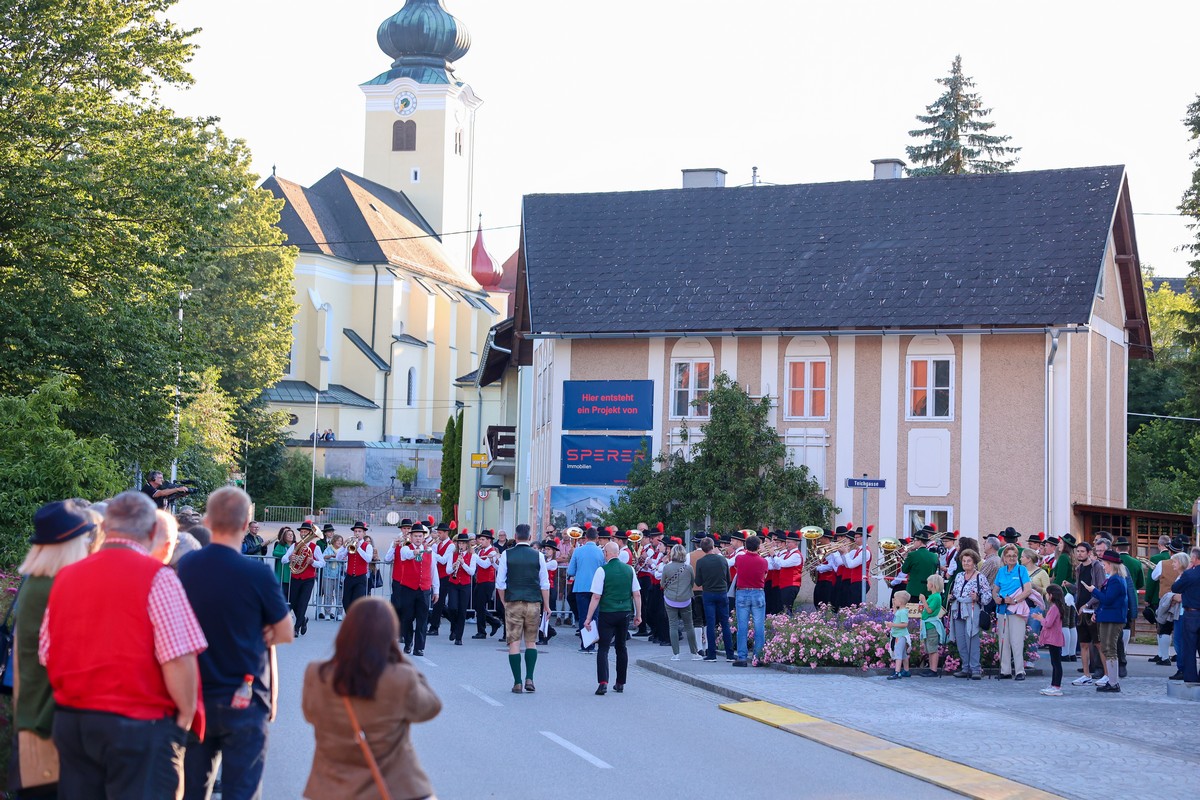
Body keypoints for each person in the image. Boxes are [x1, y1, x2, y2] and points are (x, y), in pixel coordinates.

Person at [40, 491, 207, 798]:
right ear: (153, 531)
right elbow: (179, 658)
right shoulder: (159, 577)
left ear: (105, 526)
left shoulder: (66, 576)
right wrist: (184, 718)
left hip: (73, 722)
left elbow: (46, 653)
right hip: (139, 725)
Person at [178, 487, 294, 800]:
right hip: (246, 698)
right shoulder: (255, 572)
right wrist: (262, 630)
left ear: (207, 520)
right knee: (242, 791)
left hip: (196, 696)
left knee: (192, 790)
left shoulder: (186, 567)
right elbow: (285, 632)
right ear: (246, 524)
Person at [302, 598, 441, 800]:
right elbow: (431, 707)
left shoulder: (317, 674)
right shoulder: (400, 677)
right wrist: (402, 659)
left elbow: (310, 715)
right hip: (395, 788)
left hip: (332, 788)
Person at [14, 500, 102, 796]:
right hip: (48, 718)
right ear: (69, 545)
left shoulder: (36, 581)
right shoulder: (58, 585)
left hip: (32, 711)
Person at [496, 524, 551, 693]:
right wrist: (547, 605)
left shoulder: (507, 554)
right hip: (533, 602)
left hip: (513, 601)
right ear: (529, 537)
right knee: (531, 642)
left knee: (514, 643)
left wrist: (505, 602)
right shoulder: (538, 555)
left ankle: (517, 682)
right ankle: (530, 678)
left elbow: (500, 583)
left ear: (515, 536)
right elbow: (544, 583)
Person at [583, 542, 642, 695]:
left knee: (603, 648)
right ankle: (620, 682)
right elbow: (636, 594)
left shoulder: (602, 570)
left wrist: (588, 618)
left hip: (607, 613)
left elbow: (596, 596)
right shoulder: (629, 569)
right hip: (624, 613)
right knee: (621, 647)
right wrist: (638, 614)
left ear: (607, 554)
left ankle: (603, 683)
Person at [386, 523, 439, 657]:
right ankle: (409, 642)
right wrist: (415, 552)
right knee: (407, 618)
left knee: (422, 619)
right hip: (408, 588)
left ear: (423, 537)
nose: (418, 538)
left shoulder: (429, 551)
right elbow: (408, 555)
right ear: (411, 536)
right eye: (415, 536)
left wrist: (436, 589)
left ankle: (419, 647)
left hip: (424, 588)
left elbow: (434, 570)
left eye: (420, 536)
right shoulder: (405, 549)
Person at [1086, 551, 1128, 693]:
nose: (1103, 567)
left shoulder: (1116, 579)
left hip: (1113, 618)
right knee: (1107, 648)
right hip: (1108, 616)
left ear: (1111, 565)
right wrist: (1097, 613)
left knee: (1110, 649)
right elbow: (1106, 602)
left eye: (1104, 564)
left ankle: (1113, 682)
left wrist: (1094, 591)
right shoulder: (1114, 578)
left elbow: (1108, 599)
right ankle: (1112, 681)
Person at [992, 543, 1033, 680]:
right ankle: (1005, 670)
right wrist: (996, 598)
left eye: (1014, 556)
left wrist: (1015, 600)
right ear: (1004, 558)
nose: (1012, 558)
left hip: (1016, 609)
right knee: (1003, 640)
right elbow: (995, 589)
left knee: (1017, 641)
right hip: (1002, 609)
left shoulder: (1022, 570)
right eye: (1009, 556)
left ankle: (1020, 671)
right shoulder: (1001, 571)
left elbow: (1028, 590)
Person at [950, 549, 991, 680]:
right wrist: (952, 597)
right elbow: (956, 592)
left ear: (974, 563)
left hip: (972, 610)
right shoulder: (959, 576)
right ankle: (965, 667)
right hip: (958, 612)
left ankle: (975, 669)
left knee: (972, 640)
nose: (966, 563)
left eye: (969, 561)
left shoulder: (980, 577)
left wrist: (977, 597)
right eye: (964, 561)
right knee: (961, 642)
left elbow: (988, 596)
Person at [658, 543, 702, 661]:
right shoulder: (688, 568)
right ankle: (694, 653)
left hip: (670, 599)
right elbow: (692, 583)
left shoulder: (667, 567)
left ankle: (676, 654)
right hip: (685, 599)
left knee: (673, 625)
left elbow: (662, 584)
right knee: (689, 626)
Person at [1071, 542, 1106, 685]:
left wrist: (1088, 604)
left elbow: (1099, 588)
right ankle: (1086, 674)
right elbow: (1080, 589)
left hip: (1093, 609)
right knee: (1083, 643)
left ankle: (1107, 674)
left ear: (1089, 552)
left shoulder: (1097, 567)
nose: (1079, 554)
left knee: (1099, 644)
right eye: (1077, 551)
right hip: (1080, 610)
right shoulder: (1079, 568)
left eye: (1082, 551)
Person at [695, 537, 735, 662]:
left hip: (708, 593)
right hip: (722, 593)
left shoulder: (700, 562)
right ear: (713, 547)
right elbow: (728, 577)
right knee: (725, 623)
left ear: (703, 548)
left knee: (710, 624)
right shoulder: (722, 559)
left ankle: (711, 654)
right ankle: (730, 654)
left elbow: (698, 581)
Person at [566, 527, 605, 652]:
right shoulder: (601, 552)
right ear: (597, 538)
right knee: (594, 616)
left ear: (586, 537)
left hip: (581, 587)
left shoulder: (578, 551)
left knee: (583, 615)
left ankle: (586, 645)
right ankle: (593, 644)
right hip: (596, 588)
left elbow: (570, 571)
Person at [732, 535, 769, 667]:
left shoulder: (739, 558)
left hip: (742, 592)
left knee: (742, 626)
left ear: (746, 546)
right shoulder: (763, 561)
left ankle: (742, 658)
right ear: (759, 547)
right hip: (758, 592)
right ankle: (757, 657)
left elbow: (737, 569)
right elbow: (765, 575)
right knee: (759, 626)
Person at [284, 524, 325, 637]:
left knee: (303, 603)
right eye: (301, 532)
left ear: (309, 533)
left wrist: (313, 562)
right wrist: (289, 558)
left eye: (305, 532)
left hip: (308, 579)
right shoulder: (294, 546)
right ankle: (303, 620)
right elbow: (283, 559)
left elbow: (322, 563)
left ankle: (296, 628)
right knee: (294, 602)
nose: (303, 534)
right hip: (295, 578)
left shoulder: (315, 547)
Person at [1170, 547, 1200, 684]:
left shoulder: (1189, 574)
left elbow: (1175, 588)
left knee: (1189, 646)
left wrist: (1187, 571)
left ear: (1193, 559)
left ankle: (1191, 677)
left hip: (1192, 613)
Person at [1033, 583, 1067, 696]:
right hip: (1055, 638)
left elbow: (1048, 624)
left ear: (1051, 595)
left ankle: (1056, 686)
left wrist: (1040, 618)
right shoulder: (1058, 607)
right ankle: (1054, 684)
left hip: (1054, 639)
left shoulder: (1054, 608)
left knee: (1056, 663)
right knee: (1055, 662)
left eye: (1047, 594)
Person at [1146, 534, 1175, 664]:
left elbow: (1152, 581)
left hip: (1160, 597)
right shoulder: (1183, 560)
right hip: (1177, 597)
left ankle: (1163, 655)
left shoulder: (1156, 559)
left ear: (1159, 545)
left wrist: (1148, 597)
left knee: (1162, 627)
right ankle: (1162, 654)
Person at [471, 530, 504, 640]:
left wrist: (474, 555)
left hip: (488, 582)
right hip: (480, 581)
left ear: (489, 540)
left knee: (480, 606)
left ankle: (482, 631)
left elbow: (485, 565)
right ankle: (494, 622)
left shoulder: (493, 552)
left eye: (483, 539)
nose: (480, 541)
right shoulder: (480, 551)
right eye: (480, 539)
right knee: (476, 606)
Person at [427, 521, 455, 637]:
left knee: (438, 602)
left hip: (445, 577)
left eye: (439, 533)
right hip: (438, 575)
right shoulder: (439, 544)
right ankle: (455, 623)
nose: (438, 535)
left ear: (446, 533)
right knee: (439, 603)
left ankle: (434, 627)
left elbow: (443, 560)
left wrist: (432, 552)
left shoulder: (451, 545)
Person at [917, 574, 946, 677]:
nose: (927, 584)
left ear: (933, 584)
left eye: (928, 582)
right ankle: (931, 668)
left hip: (932, 625)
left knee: (933, 648)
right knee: (929, 647)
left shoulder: (936, 597)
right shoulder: (933, 596)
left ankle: (933, 670)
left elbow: (929, 610)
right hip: (928, 625)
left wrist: (924, 601)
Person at [901, 527, 940, 603]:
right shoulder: (934, 556)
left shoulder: (912, 555)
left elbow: (904, 570)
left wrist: (905, 558)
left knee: (912, 613)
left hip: (913, 590)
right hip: (928, 591)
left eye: (914, 540)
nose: (913, 543)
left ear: (920, 541)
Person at [342, 521, 374, 611]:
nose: (357, 533)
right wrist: (344, 547)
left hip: (361, 578)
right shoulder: (350, 544)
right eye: (355, 531)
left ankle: (354, 622)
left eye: (359, 531)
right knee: (346, 602)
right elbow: (339, 557)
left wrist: (358, 547)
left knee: (357, 602)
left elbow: (368, 559)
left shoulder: (367, 546)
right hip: (349, 577)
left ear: (364, 533)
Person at [537, 539, 560, 645]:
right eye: (545, 549)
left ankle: (544, 636)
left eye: (549, 549)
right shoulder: (545, 560)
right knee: (541, 613)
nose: (546, 551)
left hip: (550, 589)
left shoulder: (553, 562)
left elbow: (542, 568)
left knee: (545, 613)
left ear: (554, 551)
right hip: (543, 588)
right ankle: (548, 632)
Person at [886, 590, 912, 680]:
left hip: (900, 636)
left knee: (898, 654)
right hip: (898, 635)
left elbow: (905, 624)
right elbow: (895, 613)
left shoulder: (903, 612)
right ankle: (906, 670)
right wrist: (894, 605)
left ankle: (897, 672)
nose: (894, 600)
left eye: (895, 599)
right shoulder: (900, 610)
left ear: (900, 602)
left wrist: (892, 625)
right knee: (903, 654)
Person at [271, 527, 296, 591]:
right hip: (282, 569)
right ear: (284, 536)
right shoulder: (280, 545)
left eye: (292, 534)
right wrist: (286, 556)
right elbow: (275, 553)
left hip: (292, 570)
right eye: (288, 534)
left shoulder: (296, 545)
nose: (291, 536)